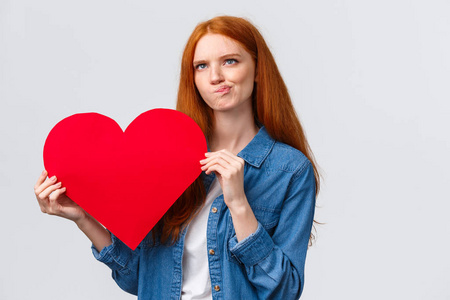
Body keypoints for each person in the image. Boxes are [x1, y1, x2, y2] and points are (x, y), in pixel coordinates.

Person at [34, 16, 320, 300]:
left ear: (258, 69)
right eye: (201, 66)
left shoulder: (290, 170)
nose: (215, 77)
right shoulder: (166, 158)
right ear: (192, 78)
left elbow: (284, 290)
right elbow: (136, 276)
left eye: (230, 61)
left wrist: (238, 204)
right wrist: (83, 218)